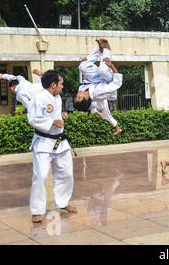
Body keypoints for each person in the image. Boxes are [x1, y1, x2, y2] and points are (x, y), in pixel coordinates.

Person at [26, 70, 77, 223]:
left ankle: (63, 202)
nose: (63, 86)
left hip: (60, 143)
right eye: (61, 83)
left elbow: (53, 113)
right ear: (53, 84)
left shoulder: (57, 97)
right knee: (40, 176)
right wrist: (53, 122)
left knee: (66, 173)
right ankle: (37, 210)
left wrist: (60, 116)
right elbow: (33, 119)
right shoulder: (39, 98)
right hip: (43, 143)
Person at [74, 39, 123, 136]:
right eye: (79, 97)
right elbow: (116, 84)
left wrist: (83, 63)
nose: (78, 95)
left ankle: (99, 51)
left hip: (95, 81)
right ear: (86, 98)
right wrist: (112, 66)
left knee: (82, 67)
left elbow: (86, 78)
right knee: (103, 70)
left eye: (77, 97)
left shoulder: (82, 91)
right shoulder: (98, 93)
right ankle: (106, 50)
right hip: (109, 82)